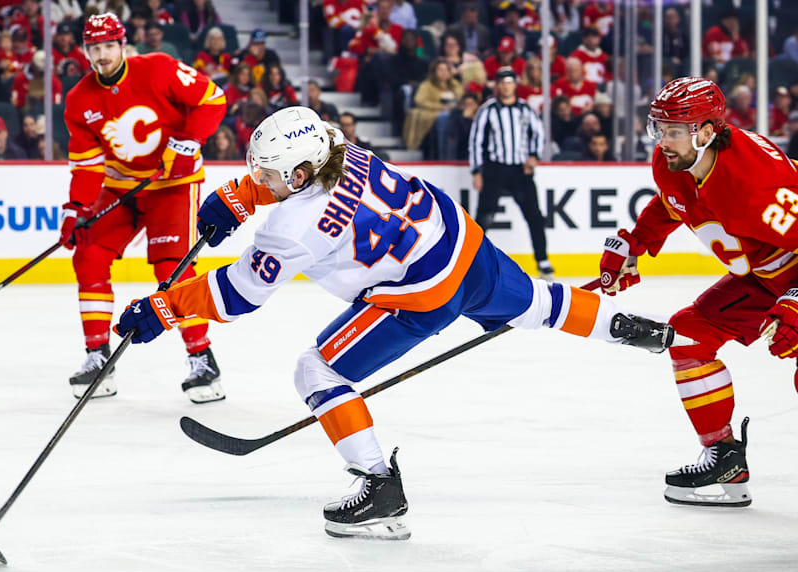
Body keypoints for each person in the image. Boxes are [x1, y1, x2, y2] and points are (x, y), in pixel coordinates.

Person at [114, 106, 679, 539]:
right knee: (539, 302)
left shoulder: (289, 229)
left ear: (302, 169)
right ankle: (634, 327)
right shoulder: (341, 144)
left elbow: (239, 295)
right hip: (463, 243)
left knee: (317, 372)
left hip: (420, 294)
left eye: (266, 172)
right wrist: (236, 198)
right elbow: (296, 179)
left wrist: (165, 307)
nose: (261, 177)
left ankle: (379, 487)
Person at [598, 77, 798, 508]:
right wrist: (636, 244)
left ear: (707, 132)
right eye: (658, 128)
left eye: (673, 131)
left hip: (791, 276)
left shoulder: (758, 185)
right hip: (763, 276)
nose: (661, 141)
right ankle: (725, 458)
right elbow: (675, 202)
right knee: (688, 337)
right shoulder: (675, 161)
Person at [60, 13, 227, 403]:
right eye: (94, 48)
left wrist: (188, 142)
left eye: (107, 46)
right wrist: (76, 209)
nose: (101, 56)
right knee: (88, 254)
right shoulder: (79, 99)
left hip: (173, 184)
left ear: (122, 44)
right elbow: (86, 167)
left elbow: (212, 99)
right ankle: (97, 356)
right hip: (122, 189)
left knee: (173, 268)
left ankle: (202, 359)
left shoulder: (158, 68)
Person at [470, 67, 552, 280]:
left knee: (534, 215)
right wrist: (477, 170)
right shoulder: (487, 110)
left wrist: (534, 156)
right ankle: (471, 261)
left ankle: (543, 260)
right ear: (497, 86)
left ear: (515, 84)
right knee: (484, 216)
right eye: (502, 82)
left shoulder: (525, 109)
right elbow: (476, 141)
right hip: (496, 168)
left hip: (520, 170)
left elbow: (539, 134)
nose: (506, 86)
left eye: (509, 82)